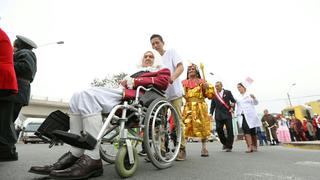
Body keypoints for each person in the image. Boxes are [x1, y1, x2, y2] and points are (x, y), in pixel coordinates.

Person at [29, 50, 171, 179]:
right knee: (78, 96)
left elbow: (164, 82)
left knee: (88, 95)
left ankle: (93, 157)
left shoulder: (162, 70)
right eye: (145, 56)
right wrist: (127, 81)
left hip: (137, 99)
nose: (147, 58)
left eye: (151, 56)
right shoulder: (135, 71)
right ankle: (76, 152)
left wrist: (135, 81)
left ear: (156, 59)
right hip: (122, 95)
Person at [150, 34, 186, 161]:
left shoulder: (171, 52)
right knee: (160, 121)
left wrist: (172, 78)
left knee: (177, 121)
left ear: (162, 43)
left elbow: (181, 67)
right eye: (153, 44)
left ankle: (181, 148)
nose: (155, 45)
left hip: (174, 92)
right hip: (160, 94)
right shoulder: (153, 59)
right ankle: (161, 149)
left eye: (157, 43)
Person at [182, 63, 215, 157]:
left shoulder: (202, 81)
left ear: (197, 71)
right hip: (188, 106)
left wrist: (207, 88)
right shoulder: (183, 82)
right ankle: (182, 149)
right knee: (185, 127)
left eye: (193, 68)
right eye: (190, 69)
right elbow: (180, 93)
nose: (191, 70)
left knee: (203, 127)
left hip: (200, 106)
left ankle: (204, 148)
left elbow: (210, 96)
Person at [0, 27, 18, 161]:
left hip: (2, 78)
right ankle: (7, 151)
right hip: (5, 79)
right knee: (4, 119)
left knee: (4, 119)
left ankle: (7, 151)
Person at [210, 81, 236, 152]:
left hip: (227, 114)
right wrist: (211, 114)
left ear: (221, 86)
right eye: (215, 86)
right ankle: (225, 143)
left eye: (218, 86)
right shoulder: (214, 94)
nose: (216, 87)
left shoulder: (228, 92)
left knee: (230, 130)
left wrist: (232, 108)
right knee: (218, 129)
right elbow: (212, 106)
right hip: (218, 115)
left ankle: (229, 146)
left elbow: (233, 101)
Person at [235, 82, 262, 153]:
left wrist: (254, 98)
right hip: (242, 115)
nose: (239, 89)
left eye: (240, 87)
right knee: (246, 130)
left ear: (244, 87)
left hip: (251, 115)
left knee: (252, 131)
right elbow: (235, 104)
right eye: (238, 87)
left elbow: (256, 103)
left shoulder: (249, 94)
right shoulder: (237, 97)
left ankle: (255, 146)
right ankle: (249, 147)